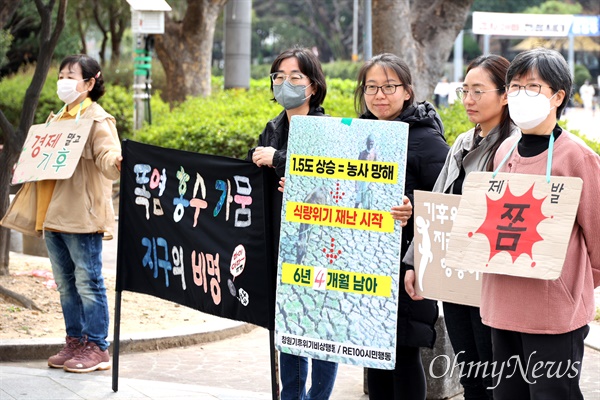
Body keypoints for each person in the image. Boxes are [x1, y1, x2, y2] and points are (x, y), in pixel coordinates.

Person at [484, 48, 600, 399]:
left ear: (558, 96)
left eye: (532, 87)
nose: (520, 96)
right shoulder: (504, 150)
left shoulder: (577, 157)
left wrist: (571, 286)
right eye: (514, 87)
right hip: (501, 306)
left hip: (553, 314)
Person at [404, 54, 519, 399]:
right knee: (470, 374)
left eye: (478, 91)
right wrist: (415, 263)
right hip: (456, 279)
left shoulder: (516, 148)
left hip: (494, 283)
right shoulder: (461, 143)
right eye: (464, 90)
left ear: (505, 95)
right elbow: (436, 205)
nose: (468, 100)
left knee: (496, 375)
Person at [1, 54, 122, 373]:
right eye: (61, 75)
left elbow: (109, 157)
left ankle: (97, 346)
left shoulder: (98, 120)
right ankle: (75, 341)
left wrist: (118, 162)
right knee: (66, 284)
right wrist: (25, 166)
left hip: (82, 217)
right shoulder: (56, 120)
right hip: (51, 216)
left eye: (71, 76)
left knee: (88, 281)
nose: (63, 82)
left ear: (91, 81)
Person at [354, 53, 449, 400]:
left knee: (404, 355)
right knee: (374, 356)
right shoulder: (360, 136)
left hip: (406, 267)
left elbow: (447, 203)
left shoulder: (428, 141)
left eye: (389, 86)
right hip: (367, 264)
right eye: (372, 87)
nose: (380, 95)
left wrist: (414, 207)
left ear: (407, 91)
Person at [246, 47, 338, 400]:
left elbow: (333, 180)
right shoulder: (272, 127)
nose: (285, 83)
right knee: (289, 324)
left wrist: (280, 159)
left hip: (319, 245)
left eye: (295, 77)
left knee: (320, 326)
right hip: (281, 243)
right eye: (279, 77)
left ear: (312, 86)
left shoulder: (327, 128)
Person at [354, 134, 378, 208]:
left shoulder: (374, 154)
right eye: (370, 144)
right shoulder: (362, 154)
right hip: (361, 180)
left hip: (369, 180)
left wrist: (372, 182)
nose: (371, 146)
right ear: (366, 143)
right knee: (358, 199)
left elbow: (376, 168)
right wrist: (356, 183)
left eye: (372, 144)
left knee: (367, 201)